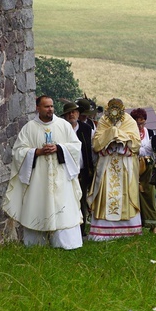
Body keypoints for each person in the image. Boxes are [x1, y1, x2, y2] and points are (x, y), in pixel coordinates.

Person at [4, 95, 85, 249]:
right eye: (46, 106)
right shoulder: (29, 128)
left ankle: (66, 244)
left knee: (64, 208)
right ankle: (36, 244)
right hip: (39, 179)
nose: (50, 109)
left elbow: (76, 146)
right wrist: (37, 152)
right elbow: (18, 152)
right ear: (38, 108)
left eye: (52, 106)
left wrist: (59, 148)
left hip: (60, 177)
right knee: (37, 205)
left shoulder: (63, 125)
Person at [87, 98, 143, 241]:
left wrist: (120, 137)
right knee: (105, 193)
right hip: (107, 164)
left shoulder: (129, 121)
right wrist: (110, 134)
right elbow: (96, 143)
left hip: (125, 165)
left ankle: (128, 230)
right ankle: (103, 232)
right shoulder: (103, 121)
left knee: (125, 194)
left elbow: (136, 144)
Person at [60, 100, 94, 236]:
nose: (71, 115)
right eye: (68, 113)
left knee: (82, 200)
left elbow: (92, 149)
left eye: (74, 112)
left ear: (78, 113)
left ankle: (81, 230)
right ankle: (67, 229)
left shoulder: (86, 129)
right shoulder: (61, 129)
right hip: (66, 171)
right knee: (67, 200)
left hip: (83, 170)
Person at [131, 107, 156, 233]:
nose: (140, 125)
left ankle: (152, 223)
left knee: (148, 193)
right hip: (133, 166)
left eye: (142, 122)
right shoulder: (129, 133)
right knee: (134, 193)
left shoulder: (150, 133)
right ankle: (137, 223)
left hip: (147, 166)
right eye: (137, 123)